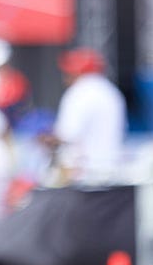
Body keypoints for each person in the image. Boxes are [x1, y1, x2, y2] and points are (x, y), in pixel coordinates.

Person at [46, 47, 127, 185]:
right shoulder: (111, 91)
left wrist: (45, 139)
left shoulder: (79, 91)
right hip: (113, 169)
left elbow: (67, 135)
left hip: (85, 173)